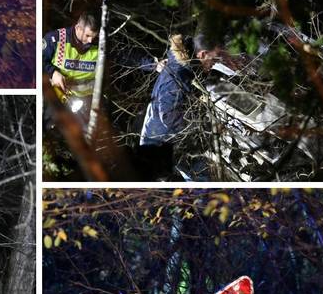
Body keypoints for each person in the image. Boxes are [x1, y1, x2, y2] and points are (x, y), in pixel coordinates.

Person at [42, 12, 159, 131]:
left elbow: (125, 56)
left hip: (89, 98)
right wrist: (53, 72)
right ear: (78, 28)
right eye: (87, 35)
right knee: (50, 127)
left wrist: (153, 64)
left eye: (94, 36)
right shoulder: (55, 40)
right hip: (57, 95)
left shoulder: (100, 44)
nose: (90, 40)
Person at [138, 33, 220, 180]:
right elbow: (168, 114)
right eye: (214, 59)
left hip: (165, 133)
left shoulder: (183, 67)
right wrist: (199, 129)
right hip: (160, 139)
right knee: (199, 174)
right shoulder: (177, 76)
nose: (215, 62)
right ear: (202, 54)